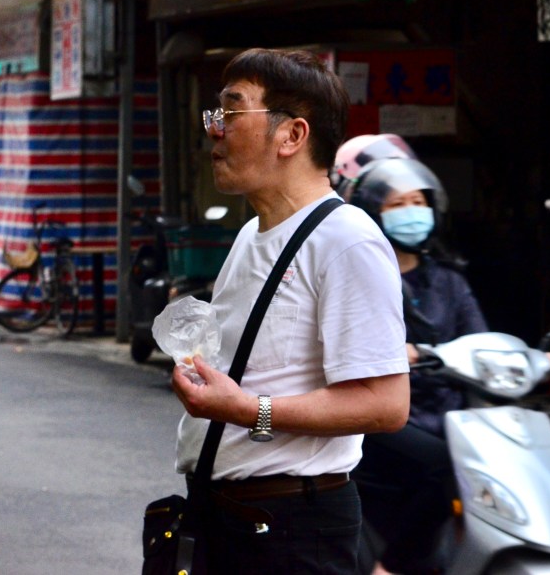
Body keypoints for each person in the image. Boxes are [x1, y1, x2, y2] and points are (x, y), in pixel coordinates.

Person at [169, 48, 411, 574]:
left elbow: (387, 403)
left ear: (292, 136)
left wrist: (247, 409)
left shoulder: (347, 240)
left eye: (231, 113)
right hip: (227, 517)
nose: (215, 130)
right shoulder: (249, 235)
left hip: (289, 530)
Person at [342, 154, 550, 575]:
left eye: (417, 201)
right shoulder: (363, 278)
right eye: (397, 204)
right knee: (449, 464)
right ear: (374, 213)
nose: (412, 212)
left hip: (451, 410)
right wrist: (398, 354)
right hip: (391, 413)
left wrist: (534, 358)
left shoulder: (448, 280)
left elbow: (480, 337)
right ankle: (390, 566)